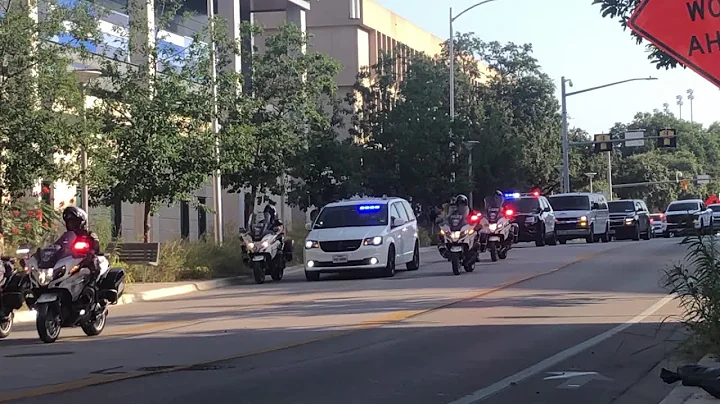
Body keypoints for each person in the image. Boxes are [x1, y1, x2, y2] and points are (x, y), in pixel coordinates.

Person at [60, 206, 102, 275]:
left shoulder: (89, 234)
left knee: (93, 260)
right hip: (69, 262)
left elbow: (96, 245)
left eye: (74, 222)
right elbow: (57, 245)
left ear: (81, 222)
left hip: (84, 261)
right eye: (69, 222)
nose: (71, 224)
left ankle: (92, 282)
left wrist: (91, 250)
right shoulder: (65, 236)